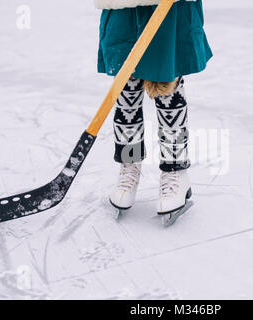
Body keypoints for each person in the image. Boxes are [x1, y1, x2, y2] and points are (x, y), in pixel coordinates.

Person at [94, 0, 212, 217]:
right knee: (126, 87)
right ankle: (129, 165)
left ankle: (175, 170)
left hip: (167, 7)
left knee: (167, 84)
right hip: (123, 8)